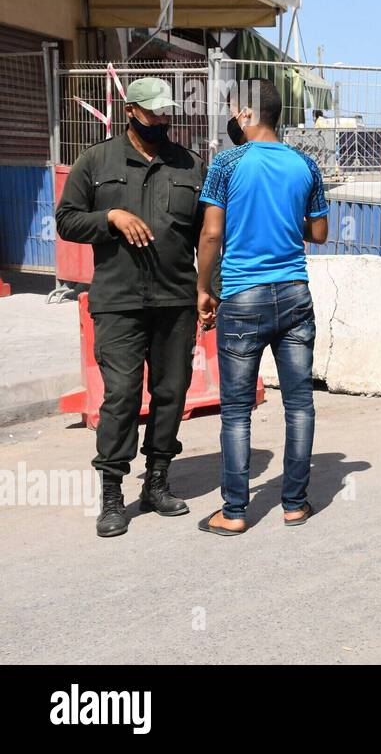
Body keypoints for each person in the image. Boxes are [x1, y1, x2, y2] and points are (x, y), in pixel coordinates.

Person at [55, 77, 206, 537]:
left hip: (175, 300)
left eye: (167, 112)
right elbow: (66, 219)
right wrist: (110, 218)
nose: (163, 119)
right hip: (118, 301)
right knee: (121, 396)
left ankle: (157, 482)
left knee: (171, 392)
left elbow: (208, 234)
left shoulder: (190, 165)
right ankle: (112, 493)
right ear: (130, 111)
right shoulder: (96, 161)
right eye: (153, 112)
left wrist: (208, 288)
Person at [195, 80, 329, 535]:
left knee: (235, 410)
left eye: (234, 110)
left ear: (246, 114)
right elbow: (320, 233)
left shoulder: (228, 164)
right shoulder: (305, 165)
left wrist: (202, 287)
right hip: (293, 292)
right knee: (299, 404)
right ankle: (295, 503)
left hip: (242, 296)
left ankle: (234, 512)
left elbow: (212, 235)